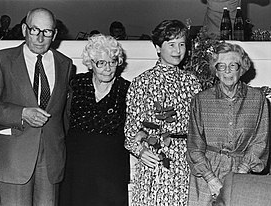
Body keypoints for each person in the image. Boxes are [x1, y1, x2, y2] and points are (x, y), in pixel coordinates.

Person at [0, 8, 73, 206]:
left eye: (46, 31)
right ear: (24, 29)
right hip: (14, 157)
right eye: (34, 30)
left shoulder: (65, 64)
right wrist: (21, 113)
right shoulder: (2, 59)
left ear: (54, 34)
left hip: (51, 159)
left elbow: (65, 114)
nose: (39, 38)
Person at [124, 20, 201, 205]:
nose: (177, 50)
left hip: (186, 162)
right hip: (156, 161)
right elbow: (130, 131)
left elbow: (200, 128)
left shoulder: (192, 83)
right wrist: (141, 151)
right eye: (171, 44)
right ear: (158, 48)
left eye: (182, 44)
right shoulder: (142, 83)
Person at [186, 42, 269, 206]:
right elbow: (194, 146)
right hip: (207, 172)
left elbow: (260, 141)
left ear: (242, 68)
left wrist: (240, 174)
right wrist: (211, 179)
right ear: (216, 71)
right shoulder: (201, 100)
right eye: (221, 66)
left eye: (233, 65)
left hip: (243, 170)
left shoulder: (258, 99)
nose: (228, 71)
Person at [59, 34, 130, 206]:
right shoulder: (76, 84)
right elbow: (64, 119)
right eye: (101, 63)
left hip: (111, 169)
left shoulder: (126, 89)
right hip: (77, 167)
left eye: (112, 61)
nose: (108, 68)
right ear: (90, 64)